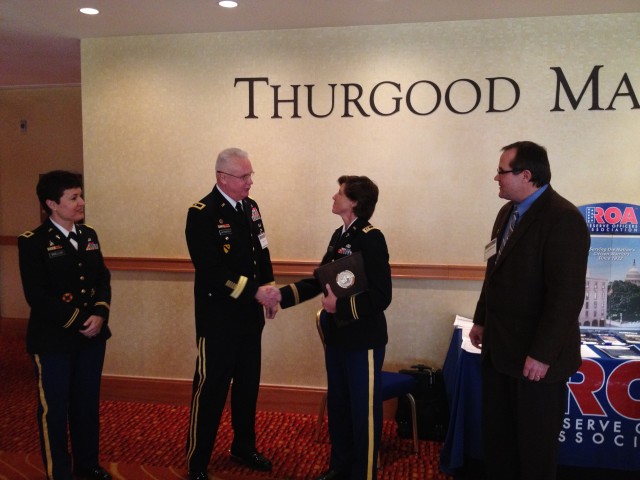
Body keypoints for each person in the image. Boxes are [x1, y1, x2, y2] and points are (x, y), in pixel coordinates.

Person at [469, 141, 590, 480]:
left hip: (534, 362)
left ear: (526, 175)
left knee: (534, 451)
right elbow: (493, 273)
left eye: (502, 171)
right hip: (499, 350)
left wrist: (542, 353)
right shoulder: (506, 213)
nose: (496, 177)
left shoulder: (563, 218)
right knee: (499, 442)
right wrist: (481, 319)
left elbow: (566, 297)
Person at [278, 175, 392, 480]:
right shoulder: (339, 235)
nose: (333, 197)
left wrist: (338, 308)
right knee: (340, 407)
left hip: (363, 340)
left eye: (339, 193)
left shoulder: (371, 237)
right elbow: (321, 280)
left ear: (353, 201)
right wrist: (282, 296)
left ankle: (363, 474)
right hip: (338, 337)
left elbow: (382, 296)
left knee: (362, 412)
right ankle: (339, 468)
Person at [184, 147, 280, 480]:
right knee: (210, 390)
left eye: (251, 175)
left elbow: (262, 253)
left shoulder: (251, 208)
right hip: (219, 320)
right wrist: (253, 290)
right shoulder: (202, 213)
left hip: (249, 318)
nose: (251, 182)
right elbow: (211, 270)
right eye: (244, 176)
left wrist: (268, 290)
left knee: (247, 386)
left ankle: (243, 446)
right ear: (222, 177)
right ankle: (197, 461)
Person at [17, 170, 112, 480]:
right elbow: (37, 296)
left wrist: (99, 313)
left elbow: (101, 278)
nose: (81, 202)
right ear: (51, 204)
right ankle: (59, 473)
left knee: (86, 407)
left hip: (91, 339)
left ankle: (88, 465)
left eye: (80, 195)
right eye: (73, 197)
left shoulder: (89, 235)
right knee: (54, 412)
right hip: (54, 341)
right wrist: (79, 320)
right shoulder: (33, 242)